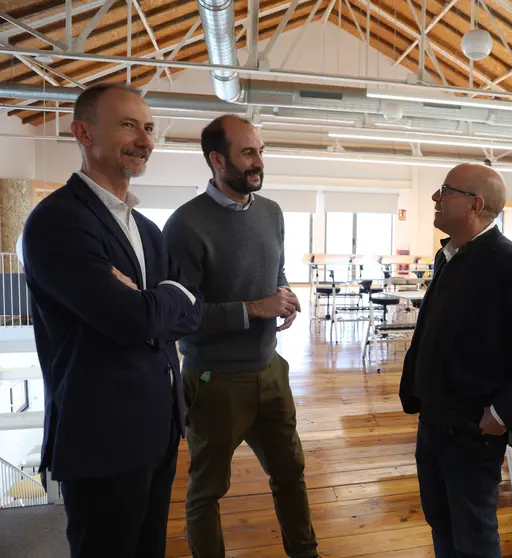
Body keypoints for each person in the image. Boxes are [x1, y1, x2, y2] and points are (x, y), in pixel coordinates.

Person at [21, 83, 202, 558]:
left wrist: (156, 299)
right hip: (102, 435)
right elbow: (132, 320)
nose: (144, 139)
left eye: (148, 127)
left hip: (159, 427)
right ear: (83, 132)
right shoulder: (58, 221)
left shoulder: (145, 227)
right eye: (128, 125)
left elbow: (193, 307)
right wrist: (161, 299)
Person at [399, 163, 512, 558]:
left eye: (445, 190)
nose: (435, 197)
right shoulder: (450, 255)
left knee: (473, 535)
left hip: (471, 429)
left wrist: (502, 413)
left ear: (474, 204)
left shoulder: (511, 264)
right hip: (433, 418)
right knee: (441, 520)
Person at [163, 116, 318, 558]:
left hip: (271, 371)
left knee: (291, 474)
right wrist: (254, 309)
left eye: (261, 151)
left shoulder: (271, 212)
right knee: (207, 491)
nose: (259, 162)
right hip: (215, 381)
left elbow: (277, 267)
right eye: (248, 153)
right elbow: (181, 317)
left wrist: (283, 294)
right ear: (217, 159)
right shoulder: (185, 226)